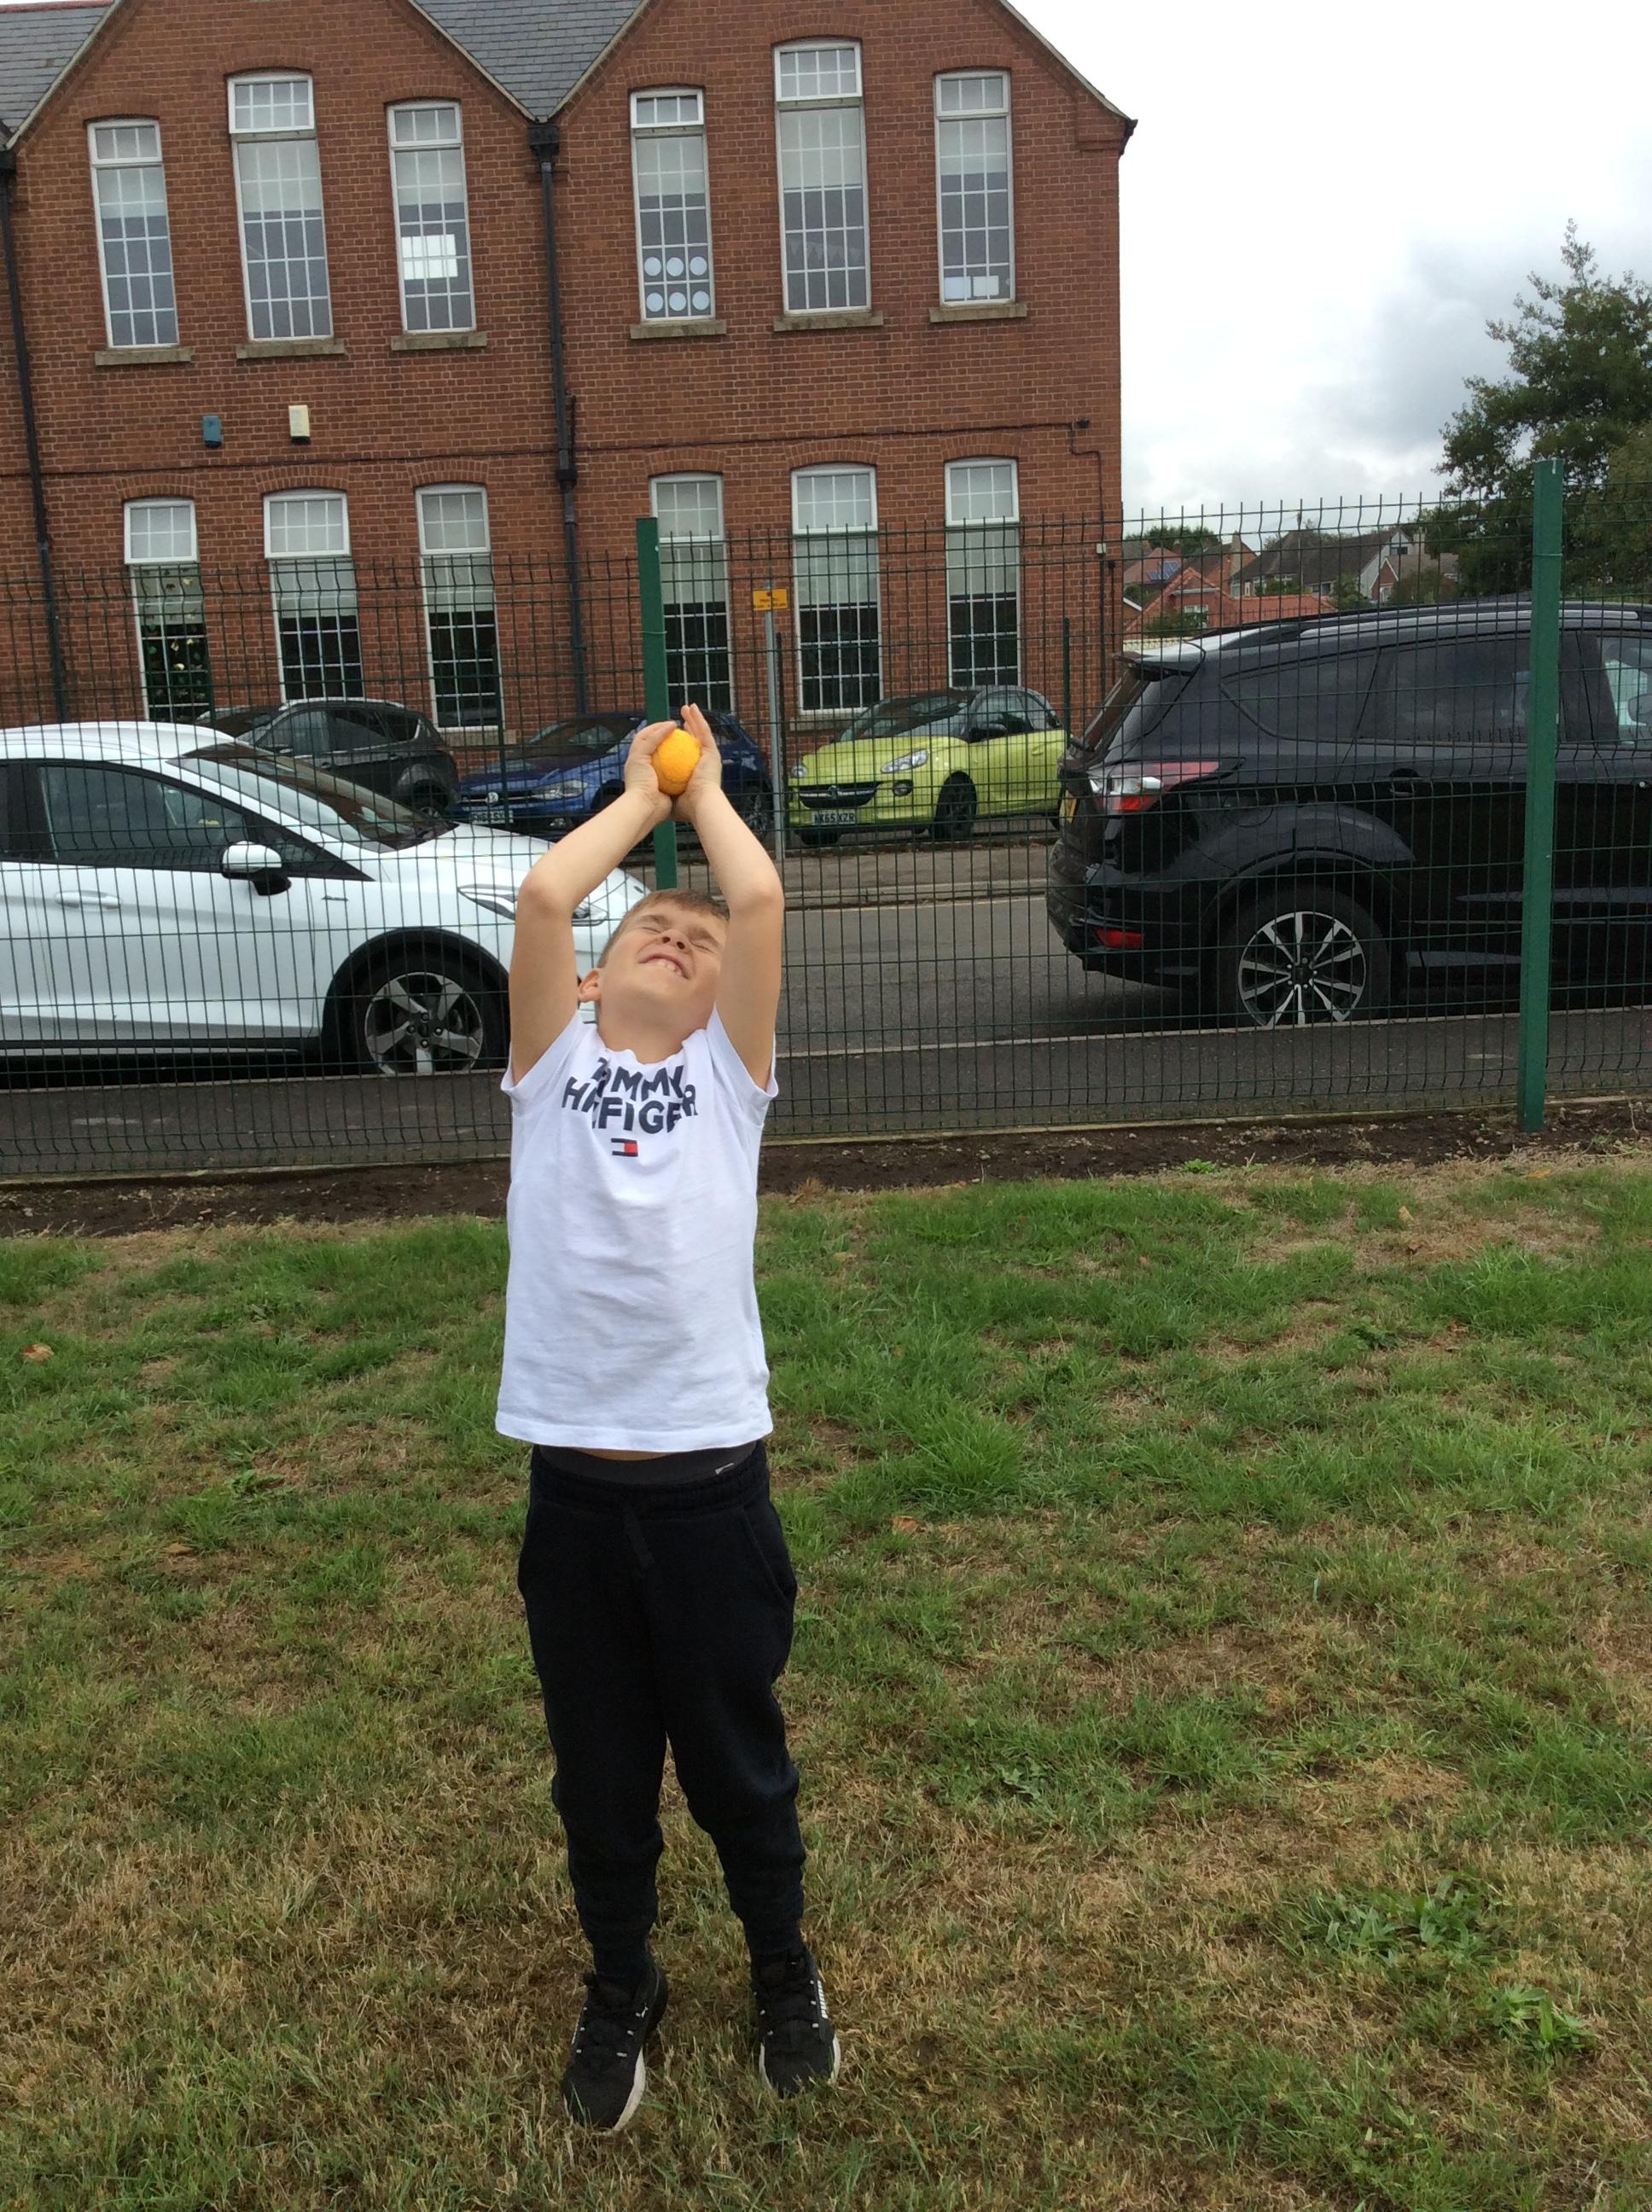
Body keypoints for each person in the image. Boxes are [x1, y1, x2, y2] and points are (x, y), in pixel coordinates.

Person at [500, 703, 838, 2133]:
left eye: (700, 947)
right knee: (600, 1781)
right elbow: (545, 895)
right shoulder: (549, 1068)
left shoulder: (726, 1080)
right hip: (577, 1503)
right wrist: (640, 800)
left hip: (711, 1498)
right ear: (592, 978)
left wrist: (705, 810)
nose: (684, 939)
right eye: (653, 928)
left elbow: (755, 900)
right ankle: (622, 1983)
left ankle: (782, 1968)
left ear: (724, 1008)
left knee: (736, 1765)